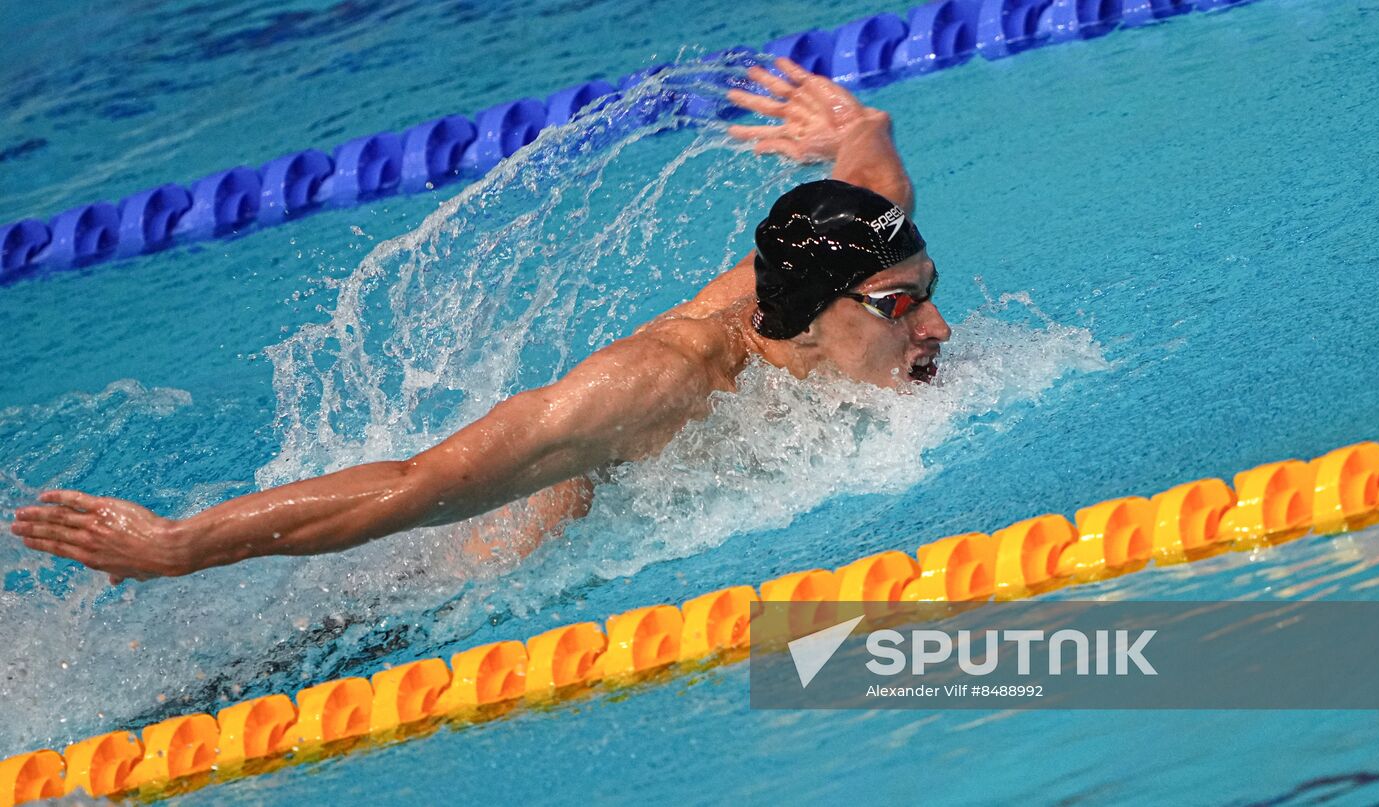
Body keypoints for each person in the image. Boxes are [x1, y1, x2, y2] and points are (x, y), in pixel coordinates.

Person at [8, 58, 952, 583]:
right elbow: (420, 481)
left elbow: (872, 176)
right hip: (504, 549)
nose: (938, 327)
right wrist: (181, 545)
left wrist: (858, 127)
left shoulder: (852, 258)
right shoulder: (658, 381)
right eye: (902, 306)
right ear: (813, 316)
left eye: (926, 289)